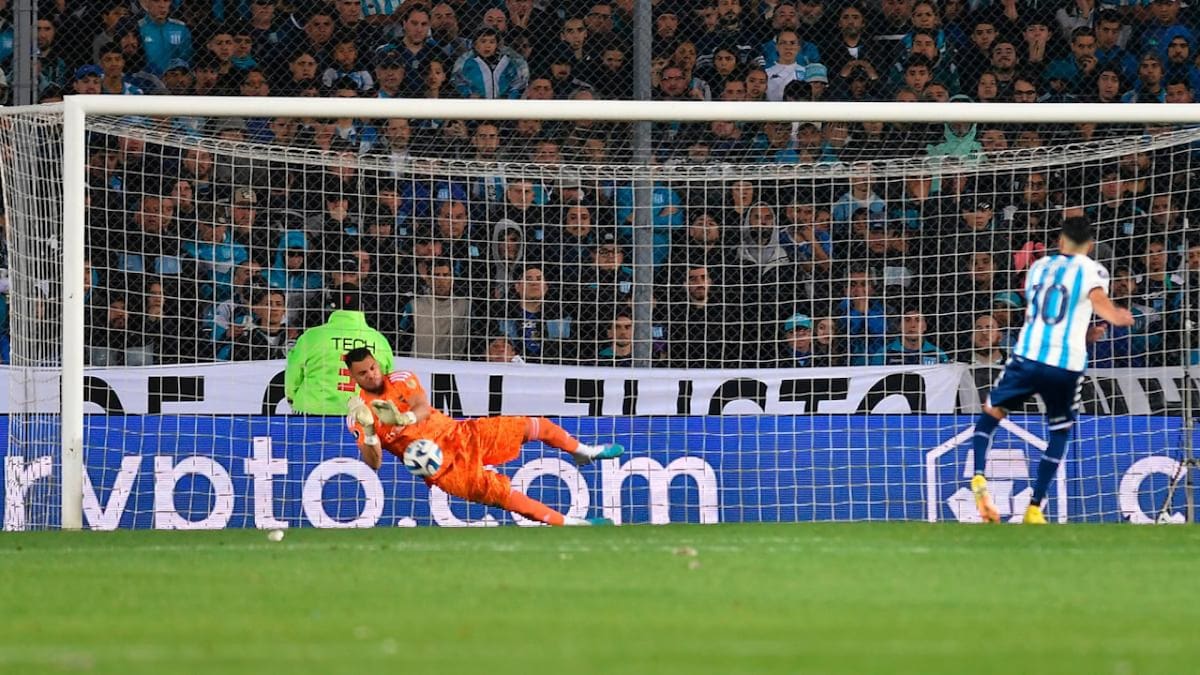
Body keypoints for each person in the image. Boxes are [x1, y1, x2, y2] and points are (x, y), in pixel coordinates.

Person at [970, 218, 1134, 525]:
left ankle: (979, 475)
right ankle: (1034, 506)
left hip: (1028, 356)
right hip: (1064, 364)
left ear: (1060, 241)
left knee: (992, 413)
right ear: (1089, 245)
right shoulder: (1093, 270)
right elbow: (1098, 302)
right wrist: (1117, 315)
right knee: (1059, 431)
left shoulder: (1039, 267)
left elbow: (1049, 316)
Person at [343, 347, 621, 526]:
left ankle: (583, 450)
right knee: (505, 495)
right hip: (445, 469)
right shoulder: (359, 414)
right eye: (363, 374)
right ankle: (575, 524)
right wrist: (369, 432)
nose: (371, 375)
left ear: (377, 364)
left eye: (372, 368)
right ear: (353, 378)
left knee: (533, 425)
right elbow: (374, 463)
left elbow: (422, 407)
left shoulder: (400, 378)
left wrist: (405, 419)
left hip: (461, 433)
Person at [285, 288, 395, 415]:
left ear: (332, 307)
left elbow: (293, 372)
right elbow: (388, 382)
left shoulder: (312, 336)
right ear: (362, 307)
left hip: (313, 411)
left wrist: (292, 397)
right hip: (362, 415)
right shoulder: (379, 340)